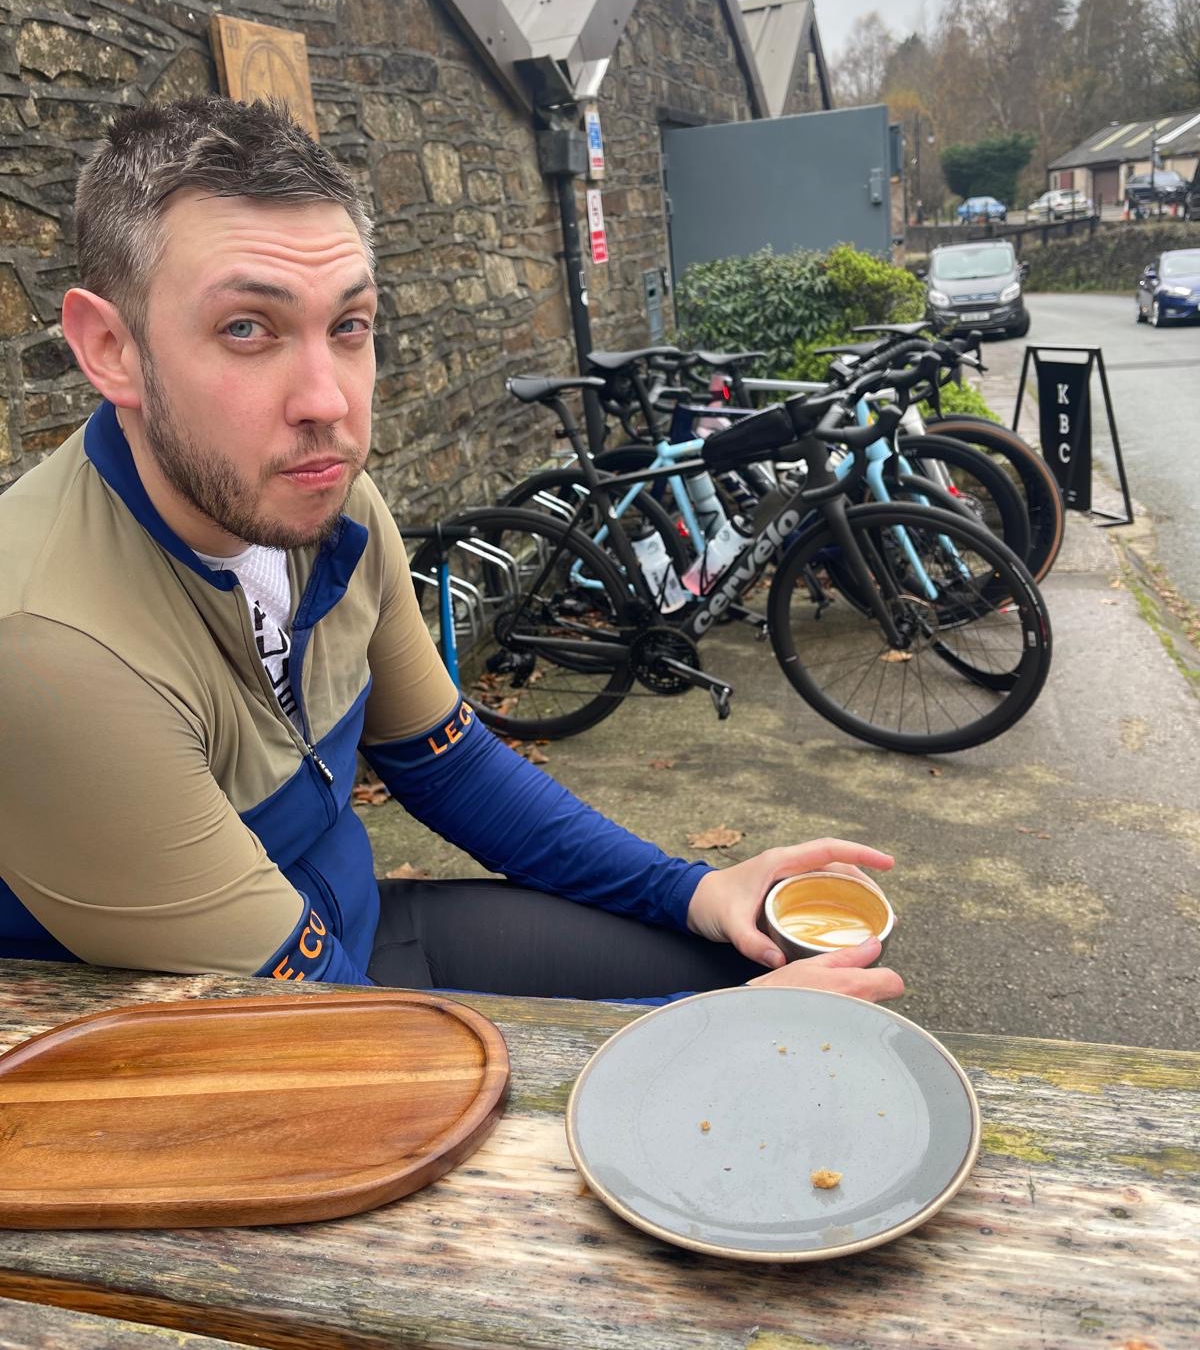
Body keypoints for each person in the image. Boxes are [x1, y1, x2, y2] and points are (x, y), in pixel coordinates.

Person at [0, 98, 903, 1006]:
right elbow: (332, 1040)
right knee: (748, 1038)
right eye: (248, 328)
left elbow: (446, 760)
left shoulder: (331, 508)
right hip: (211, 1058)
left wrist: (694, 890)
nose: (328, 402)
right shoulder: (50, 648)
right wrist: (707, 1034)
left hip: (351, 938)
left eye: (349, 326)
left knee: (756, 963)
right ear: (109, 347)